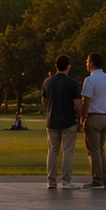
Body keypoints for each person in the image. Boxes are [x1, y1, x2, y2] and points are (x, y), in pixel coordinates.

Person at [41, 54, 82, 190]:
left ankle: (51, 181)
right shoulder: (72, 83)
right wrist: (80, 118)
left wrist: (50, 108)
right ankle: (66, 180)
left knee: (52, 151)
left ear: (56, 66)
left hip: (52, 120)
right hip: (68, 120)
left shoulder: (47, 82)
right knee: (67, 151)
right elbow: (77, 103)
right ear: (68, 67)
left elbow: (44, 100)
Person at [79, 52, 106, 189]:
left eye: (87, 61)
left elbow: (86, 101)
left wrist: (82, 119)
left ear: (92, 63)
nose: (86, 63)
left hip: (94, 116)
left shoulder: (90, 80)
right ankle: (104, 178)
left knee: (93, 150)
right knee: (100, 149)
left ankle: (97, 180)